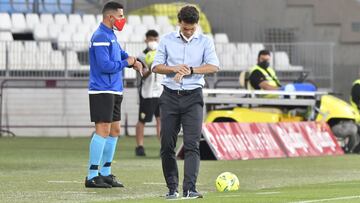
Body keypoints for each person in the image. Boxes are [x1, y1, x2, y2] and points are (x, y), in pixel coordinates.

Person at [152, 5, 219, 199]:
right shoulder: (166, 40)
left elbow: (214, 66)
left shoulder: (206, 42)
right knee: (166, 145)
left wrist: (191, 70)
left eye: (191, 28)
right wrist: (174, 68)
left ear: (197, 24)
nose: (188, 32)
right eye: (185, 28)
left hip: (193, 97)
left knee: (192, 144)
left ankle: (190, 188)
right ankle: (171, 188)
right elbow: (156, 67)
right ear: (179, 23)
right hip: (170, 96)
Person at [86, 1, 142, 188]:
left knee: (115, 130)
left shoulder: (110, 35)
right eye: (120, 16)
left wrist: (134, 60)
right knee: (102, 130)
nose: (122, 20)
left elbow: (119, 53)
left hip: (114, 89)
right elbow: (105, 66)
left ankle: (106, 172)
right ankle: (92, 175)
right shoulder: (100, 35)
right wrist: (127, 62)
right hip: (102, 89)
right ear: (110, 17)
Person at [135, 30, 163, 156]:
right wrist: (151, 67)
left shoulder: (162, 54)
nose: (153, 42)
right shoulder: (141, 56)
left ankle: (163, 147)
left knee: (161, 119)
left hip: (161, 92)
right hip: (147, 93)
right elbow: (143, 75)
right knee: (142, 120)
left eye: (155, 39)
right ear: (146, 40)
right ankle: (139, 146)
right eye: (151, 39)